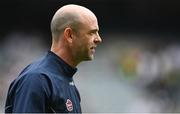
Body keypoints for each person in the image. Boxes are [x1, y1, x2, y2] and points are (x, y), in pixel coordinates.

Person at [5, 4, 102, 113]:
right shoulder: (37, 79)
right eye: (92, 33)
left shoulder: (67, 82)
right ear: (69, 35)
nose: (99, 39)